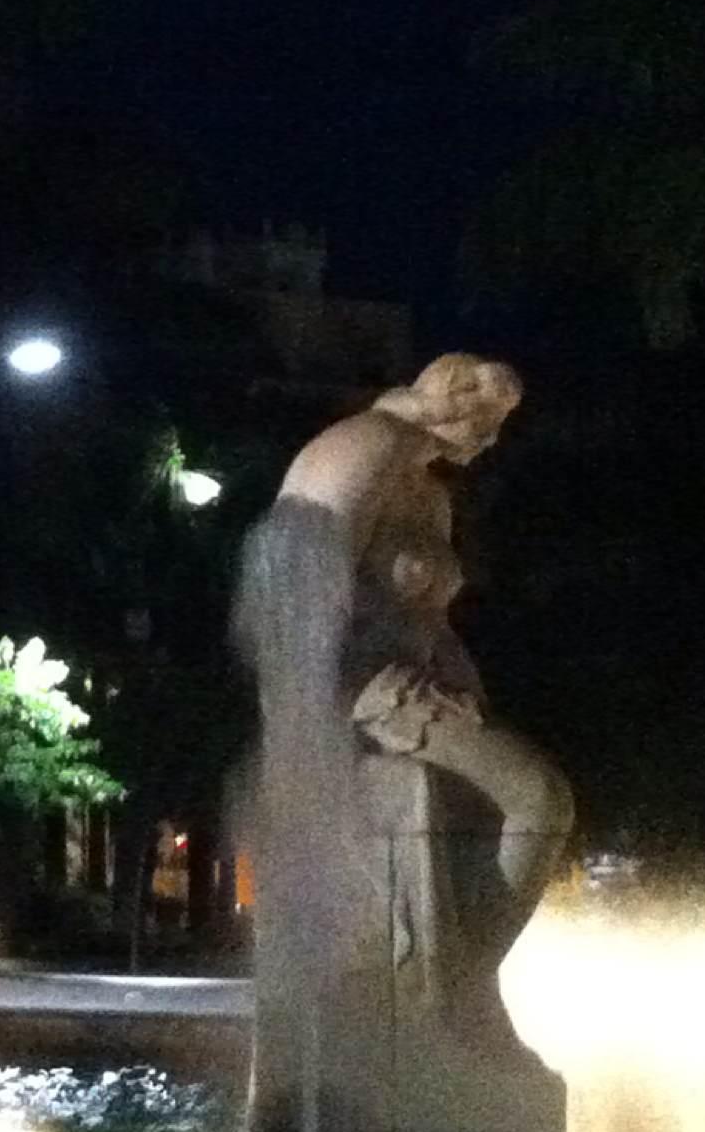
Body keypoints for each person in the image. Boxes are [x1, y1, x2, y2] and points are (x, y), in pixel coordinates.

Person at [245, 353, 574, 1057]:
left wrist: (464, 691)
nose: (490, 441)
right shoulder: (363, 450)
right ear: (456, 405)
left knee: (514, 808)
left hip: (417, 691)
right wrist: (310, 725)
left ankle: (456, 991)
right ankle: (456, 996)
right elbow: (296, 595)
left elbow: (433, 621)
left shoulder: (427, 488)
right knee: (540, 799)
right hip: (364, 694)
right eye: (490, 421)